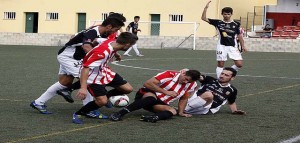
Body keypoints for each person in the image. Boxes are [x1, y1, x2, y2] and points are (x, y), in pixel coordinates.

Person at [30, 15, 125, 118]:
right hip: (69, 57)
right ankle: (89, 110)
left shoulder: (102, 32)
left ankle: (38, 102)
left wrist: (114, 53)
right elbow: (86, 46)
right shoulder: (93, 32)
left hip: (73, 57)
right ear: (109, 26)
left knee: (64, 82)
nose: (116, 32)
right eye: (116, 29)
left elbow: (103, 45)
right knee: (88, 78)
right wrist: (97, 57)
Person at [72, 32, 138, 124]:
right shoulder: (102, 53)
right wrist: (83, 88)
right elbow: (85, 68)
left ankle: (106, 97)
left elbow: (95, 40)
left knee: (128, 89)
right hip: (92, 76)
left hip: (103, 70)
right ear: (126, 45)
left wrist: (116, 54)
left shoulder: (113, 41)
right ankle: (79, 113)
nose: (131, 47)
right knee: (102, 101)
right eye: (131, 45)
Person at [110, 69, 201, 123]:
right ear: (183, 73)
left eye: (189, 82)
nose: (186, 82)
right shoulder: (169, 74)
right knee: (151, 98)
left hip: (160, 102)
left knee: (172, 111)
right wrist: (166, 92)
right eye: (186, 79)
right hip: (148, 93)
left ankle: (152, 118)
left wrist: (181, 112)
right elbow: (147, 83)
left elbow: (184, 98)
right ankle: (119, 113)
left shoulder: (192, 85)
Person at [201, 1, 246, 79]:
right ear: (222, 14)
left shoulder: (236, 24)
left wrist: (243, 46)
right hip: (221, 46)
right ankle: (220, 79)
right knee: (221, 64)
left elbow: (239, 35)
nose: (227, 15)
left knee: (239, 64)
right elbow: (203, 18)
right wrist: (206, 8)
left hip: (233, 46)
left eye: (228, 14)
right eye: (225, 14)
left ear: (231, 14)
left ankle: (228, 72)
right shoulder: (218, 22)